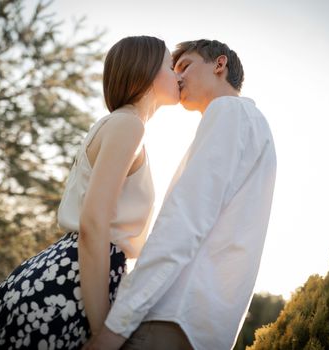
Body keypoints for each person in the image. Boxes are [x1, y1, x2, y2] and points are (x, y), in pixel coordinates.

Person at [0, 35, 180, 350]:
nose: (178, 75)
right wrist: (102, 329)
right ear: (147, 71)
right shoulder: (129, 126)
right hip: (71, 286)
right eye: (170, 66)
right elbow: (93, 224)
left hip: (62, 276)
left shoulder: (119, 124)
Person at [84, 39, 277, 350]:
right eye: (173, 70)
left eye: (185, 66)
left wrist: (114, 328)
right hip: (204, 326)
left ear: (219, 65)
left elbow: (183, 222)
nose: (178, 77)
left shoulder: (228, 112)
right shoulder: (254, 126)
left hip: (172, 315)